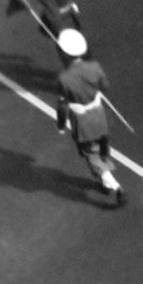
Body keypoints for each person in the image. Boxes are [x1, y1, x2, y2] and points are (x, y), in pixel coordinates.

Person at [53, 29, 123, 205]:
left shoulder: (64, 79)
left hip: (84, 124)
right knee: (102, 146)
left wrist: (61, 125)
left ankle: (114, 186)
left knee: (91, 154)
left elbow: (62, 106)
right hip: (100, 115)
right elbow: (105, 86)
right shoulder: (95, 67)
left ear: (64, 54)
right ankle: (106, 175)